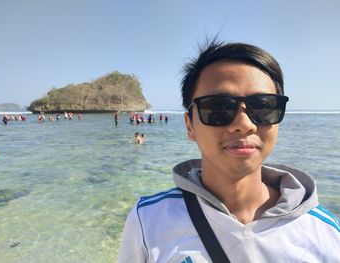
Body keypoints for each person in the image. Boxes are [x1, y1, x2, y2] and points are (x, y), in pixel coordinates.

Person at [118, 40, 340, 262]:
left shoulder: (327, 235)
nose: (244, 124)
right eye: (218, 107)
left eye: (263, 107)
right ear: (190, 126)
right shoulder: (148, 221)